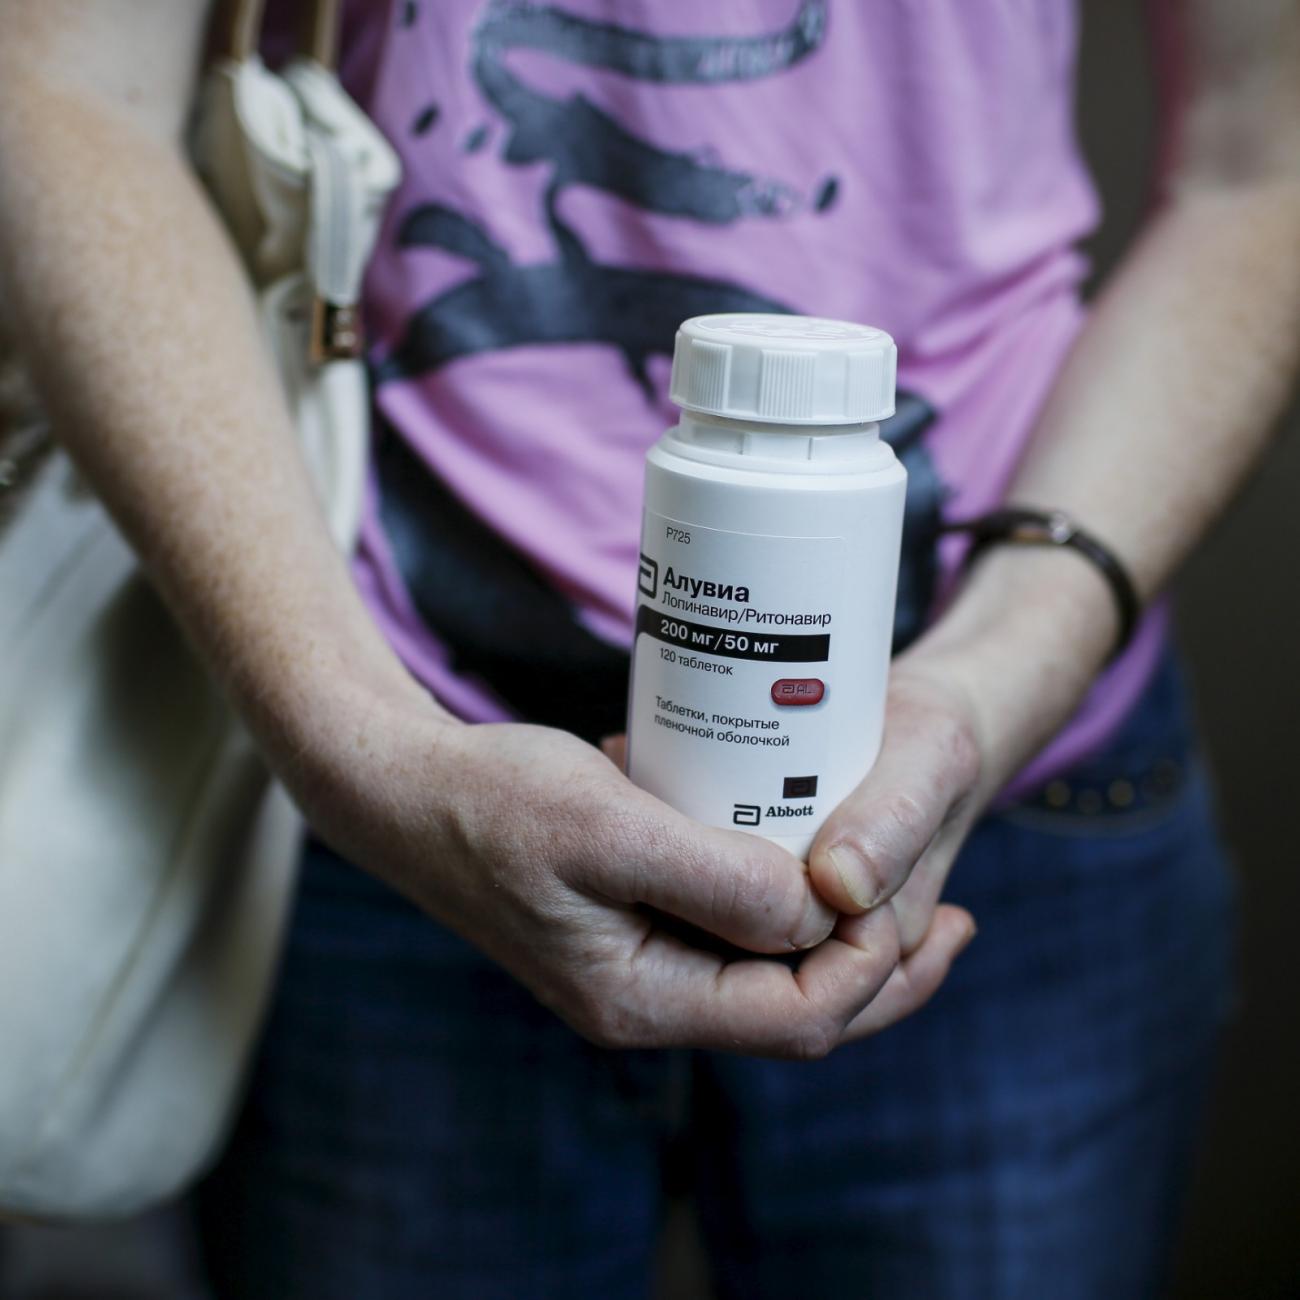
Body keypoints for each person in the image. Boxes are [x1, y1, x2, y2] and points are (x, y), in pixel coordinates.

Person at [1, 1, 1296, 1296]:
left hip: (1017, 795)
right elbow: (67, 90)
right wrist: (361, 747)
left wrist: (1007, 669)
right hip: (382, 768)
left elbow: (1264, 163)